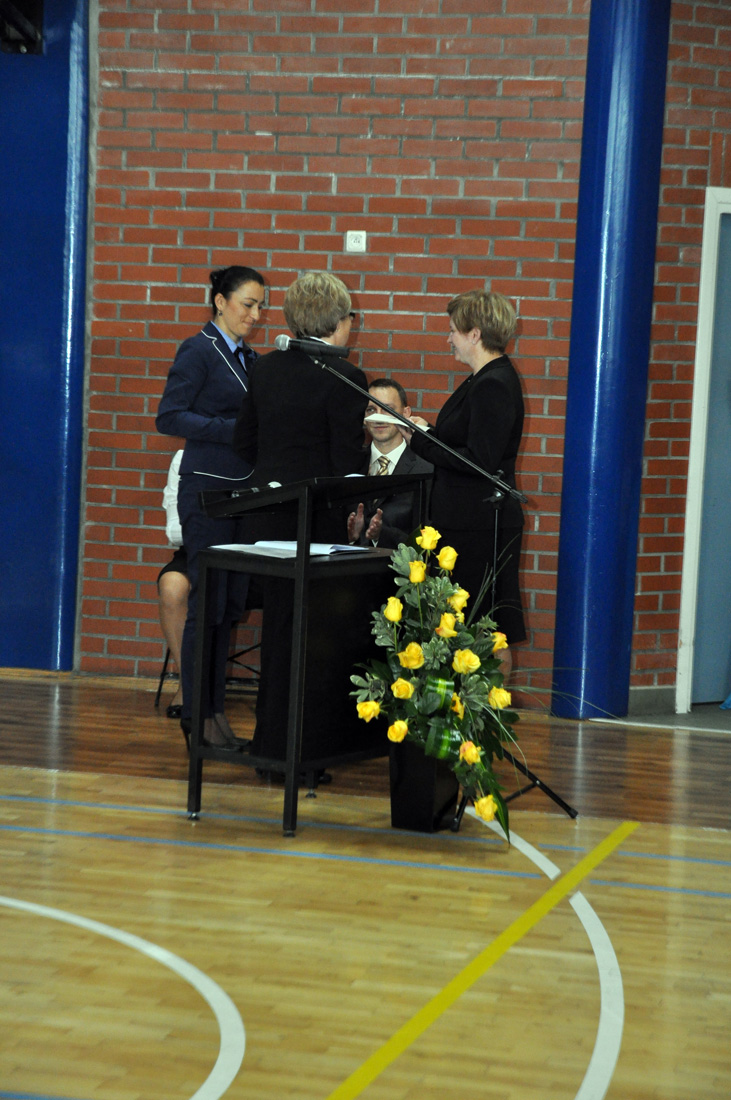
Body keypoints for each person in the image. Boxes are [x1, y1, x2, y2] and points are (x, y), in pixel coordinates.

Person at [232, 271, 369, 768]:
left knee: (279, 634)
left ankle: (270, 743)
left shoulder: (266, 368)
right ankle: (304, 750)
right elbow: (345, 465)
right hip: (315, 524)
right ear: (335, 320)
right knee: (314, 637)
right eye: (350, 316)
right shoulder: (345, 377)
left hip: (266, 522)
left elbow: (243, 442)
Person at [156, 264, 267, 750]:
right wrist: (233, 430)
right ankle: (196, 715)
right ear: (220, 302)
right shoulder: (198, 349)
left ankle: (215, 712)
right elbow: (169, 417)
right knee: (207, 606)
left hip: (243, 495)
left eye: (261, 306)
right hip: (208, 494)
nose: (256, 315)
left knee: (227, 608)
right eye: (248, 304)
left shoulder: (252, 359)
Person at [400, 289, 526, 681]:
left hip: (482, 523)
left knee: (486, 624)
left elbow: (479, 461)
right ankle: (465, 707)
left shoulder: (493, 383)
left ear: (475, 334)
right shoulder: (482, 379)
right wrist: (426, 432)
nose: (448, 338)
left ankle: (487, 709)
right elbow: (464, 444)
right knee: (462, 620)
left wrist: (421, 441)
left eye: (454, 330)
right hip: (466, 520)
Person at [346, 378, 433, 548]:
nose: (378, 418)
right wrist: (350, 537)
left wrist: (381, 535)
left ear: (406, 413)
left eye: (387, 409)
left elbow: (428, 534)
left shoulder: (426, 468)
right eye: (371, 410)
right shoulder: (350, 463)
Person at [156, 450, 189, 719]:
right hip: (196, 549)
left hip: (250, 551)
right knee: (171, 587)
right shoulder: (184, 458)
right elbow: (175, 532)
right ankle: (189, 683)